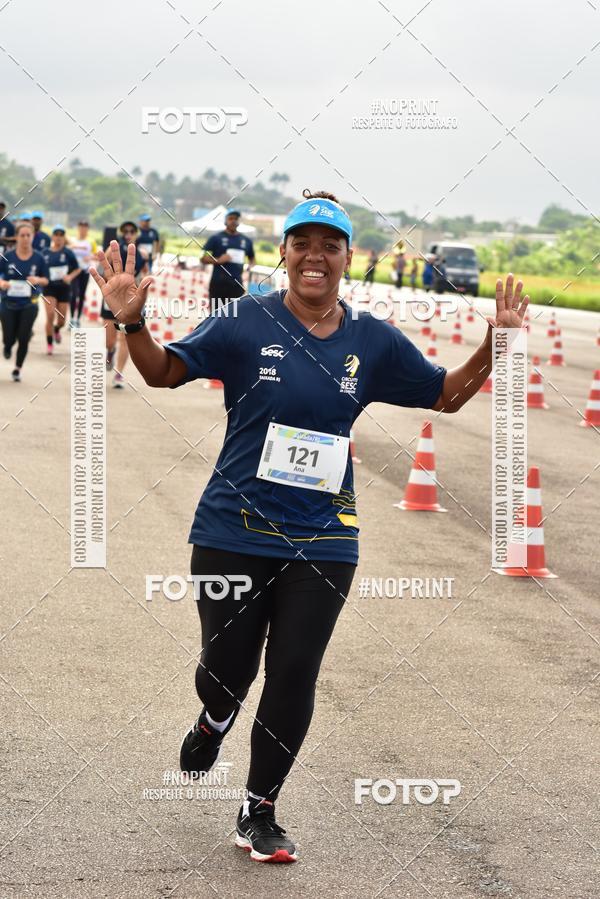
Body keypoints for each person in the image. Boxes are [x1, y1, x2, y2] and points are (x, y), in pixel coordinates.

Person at [89, 188, 528, 864]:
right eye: (303, 243)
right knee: (227, 671)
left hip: (326, 534)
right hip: (232, 528)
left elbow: (446, 394)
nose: (315, 256)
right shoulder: (243, 321)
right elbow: (162, 372)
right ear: (285, 254)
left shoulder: (372, 341)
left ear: (349, 258)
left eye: (330, 245)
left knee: (294, 668)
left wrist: (493, 348)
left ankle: (259, 808)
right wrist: (133, 323)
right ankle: (215, 715)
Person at [100, 221, 146, 387]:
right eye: (125, 231)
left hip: (130, 299)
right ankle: (110, 352)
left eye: (132, 231)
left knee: (125, 337)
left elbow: (146, 276)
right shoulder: (113, 250)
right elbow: (102, 266)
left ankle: (119, 373)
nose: (128, 233)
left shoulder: (143, 254)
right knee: (109, 340)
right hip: (112, 297)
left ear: (136, 234)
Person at [0, 221, 48, 381]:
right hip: (8, 303)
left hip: (30, 303)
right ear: (17, 237)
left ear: (33, 237)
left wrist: (38, 279)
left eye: (29, 235)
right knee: (9, 336)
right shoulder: (7, 256)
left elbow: (46, 280)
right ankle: (7, 345)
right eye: (22, 235)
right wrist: (2, 283)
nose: (26, 238)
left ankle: (17, 368)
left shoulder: (39, 258)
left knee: (24, 336)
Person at [201, 209, 255, 314]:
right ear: (225, 221)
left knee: (234, 316)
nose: (233, 221)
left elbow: (252, 258)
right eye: (231, 218)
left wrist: (250, 266)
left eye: (236, 219)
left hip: (236, 284)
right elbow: (203, 257)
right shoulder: (215, 238)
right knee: (216, 315)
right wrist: (218, 260)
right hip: (218, 284)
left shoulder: (246, 241)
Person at [42, 226, 81, 353]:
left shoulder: (68, 253)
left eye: (61, 235)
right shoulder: (45, 253)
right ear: (52, 237)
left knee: (62, 321)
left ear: (64, 237)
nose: (58, 237)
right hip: (49, 288)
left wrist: (70, 276)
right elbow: (39, 269)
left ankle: (57, 329)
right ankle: (49, 344)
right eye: (56, 234)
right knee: (50, 315)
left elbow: (78, 268)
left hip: (64, 288)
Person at [69, 220, 98, 327]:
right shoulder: (73, 240)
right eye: (81, 226)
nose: (83, 229)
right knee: (73, 294)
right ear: (78, 228)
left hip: (85, 271)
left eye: (85, 227)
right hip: (74, 271)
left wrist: (89, 257)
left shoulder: (91, 241)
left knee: (81, 295)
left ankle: (78, 319)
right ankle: (72, 318)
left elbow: (97, 256)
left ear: (87, 229)